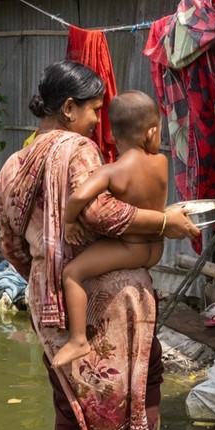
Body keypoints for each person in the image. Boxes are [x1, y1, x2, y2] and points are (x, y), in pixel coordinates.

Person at [0, 61, 199, 430]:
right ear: (68, 108)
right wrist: (168, 220)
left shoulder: (11, 167)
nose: (95, 123)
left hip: (49, 300)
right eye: (91, 111)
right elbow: (106, 216)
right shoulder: (78, 150)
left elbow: (9, 243)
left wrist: (46, 278)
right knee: (140, 381)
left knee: (69, 410)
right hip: (113, 293)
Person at [50, 91, 167, 370]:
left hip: (131, 249)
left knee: (72, 273)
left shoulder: (114, 171)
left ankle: (78, 340)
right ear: (152, 133)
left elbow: (78, 197)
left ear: (113, 136)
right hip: (156, 249)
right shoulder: (162, 162)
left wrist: (69, 222)